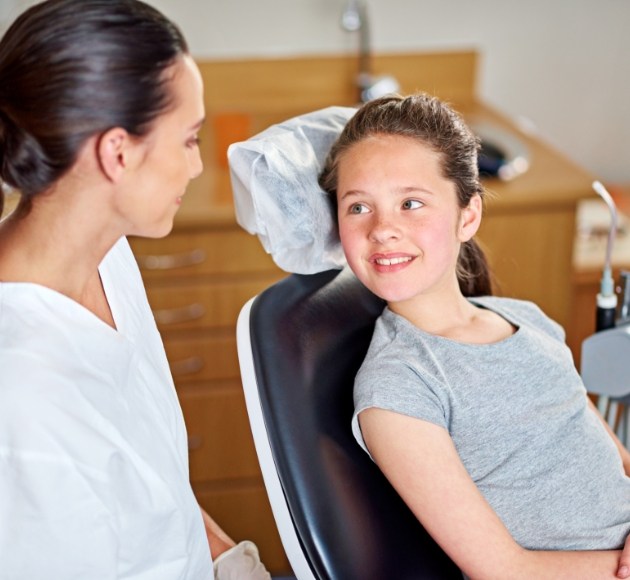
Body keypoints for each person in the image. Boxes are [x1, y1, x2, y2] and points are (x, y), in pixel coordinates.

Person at [0, 1, 270, 578]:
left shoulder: (109, 256)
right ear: (117, 152)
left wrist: (223, 556)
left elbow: (149, 473)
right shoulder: (21, 398)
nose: (197, 168)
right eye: (190, 139)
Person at [319, 93, 630, 579]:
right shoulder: (398, 388)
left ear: (468, 216)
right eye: (358, 207)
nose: (383, 229)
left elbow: (614, 460)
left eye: (411, 203)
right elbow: (505, 570)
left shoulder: (528, 321)